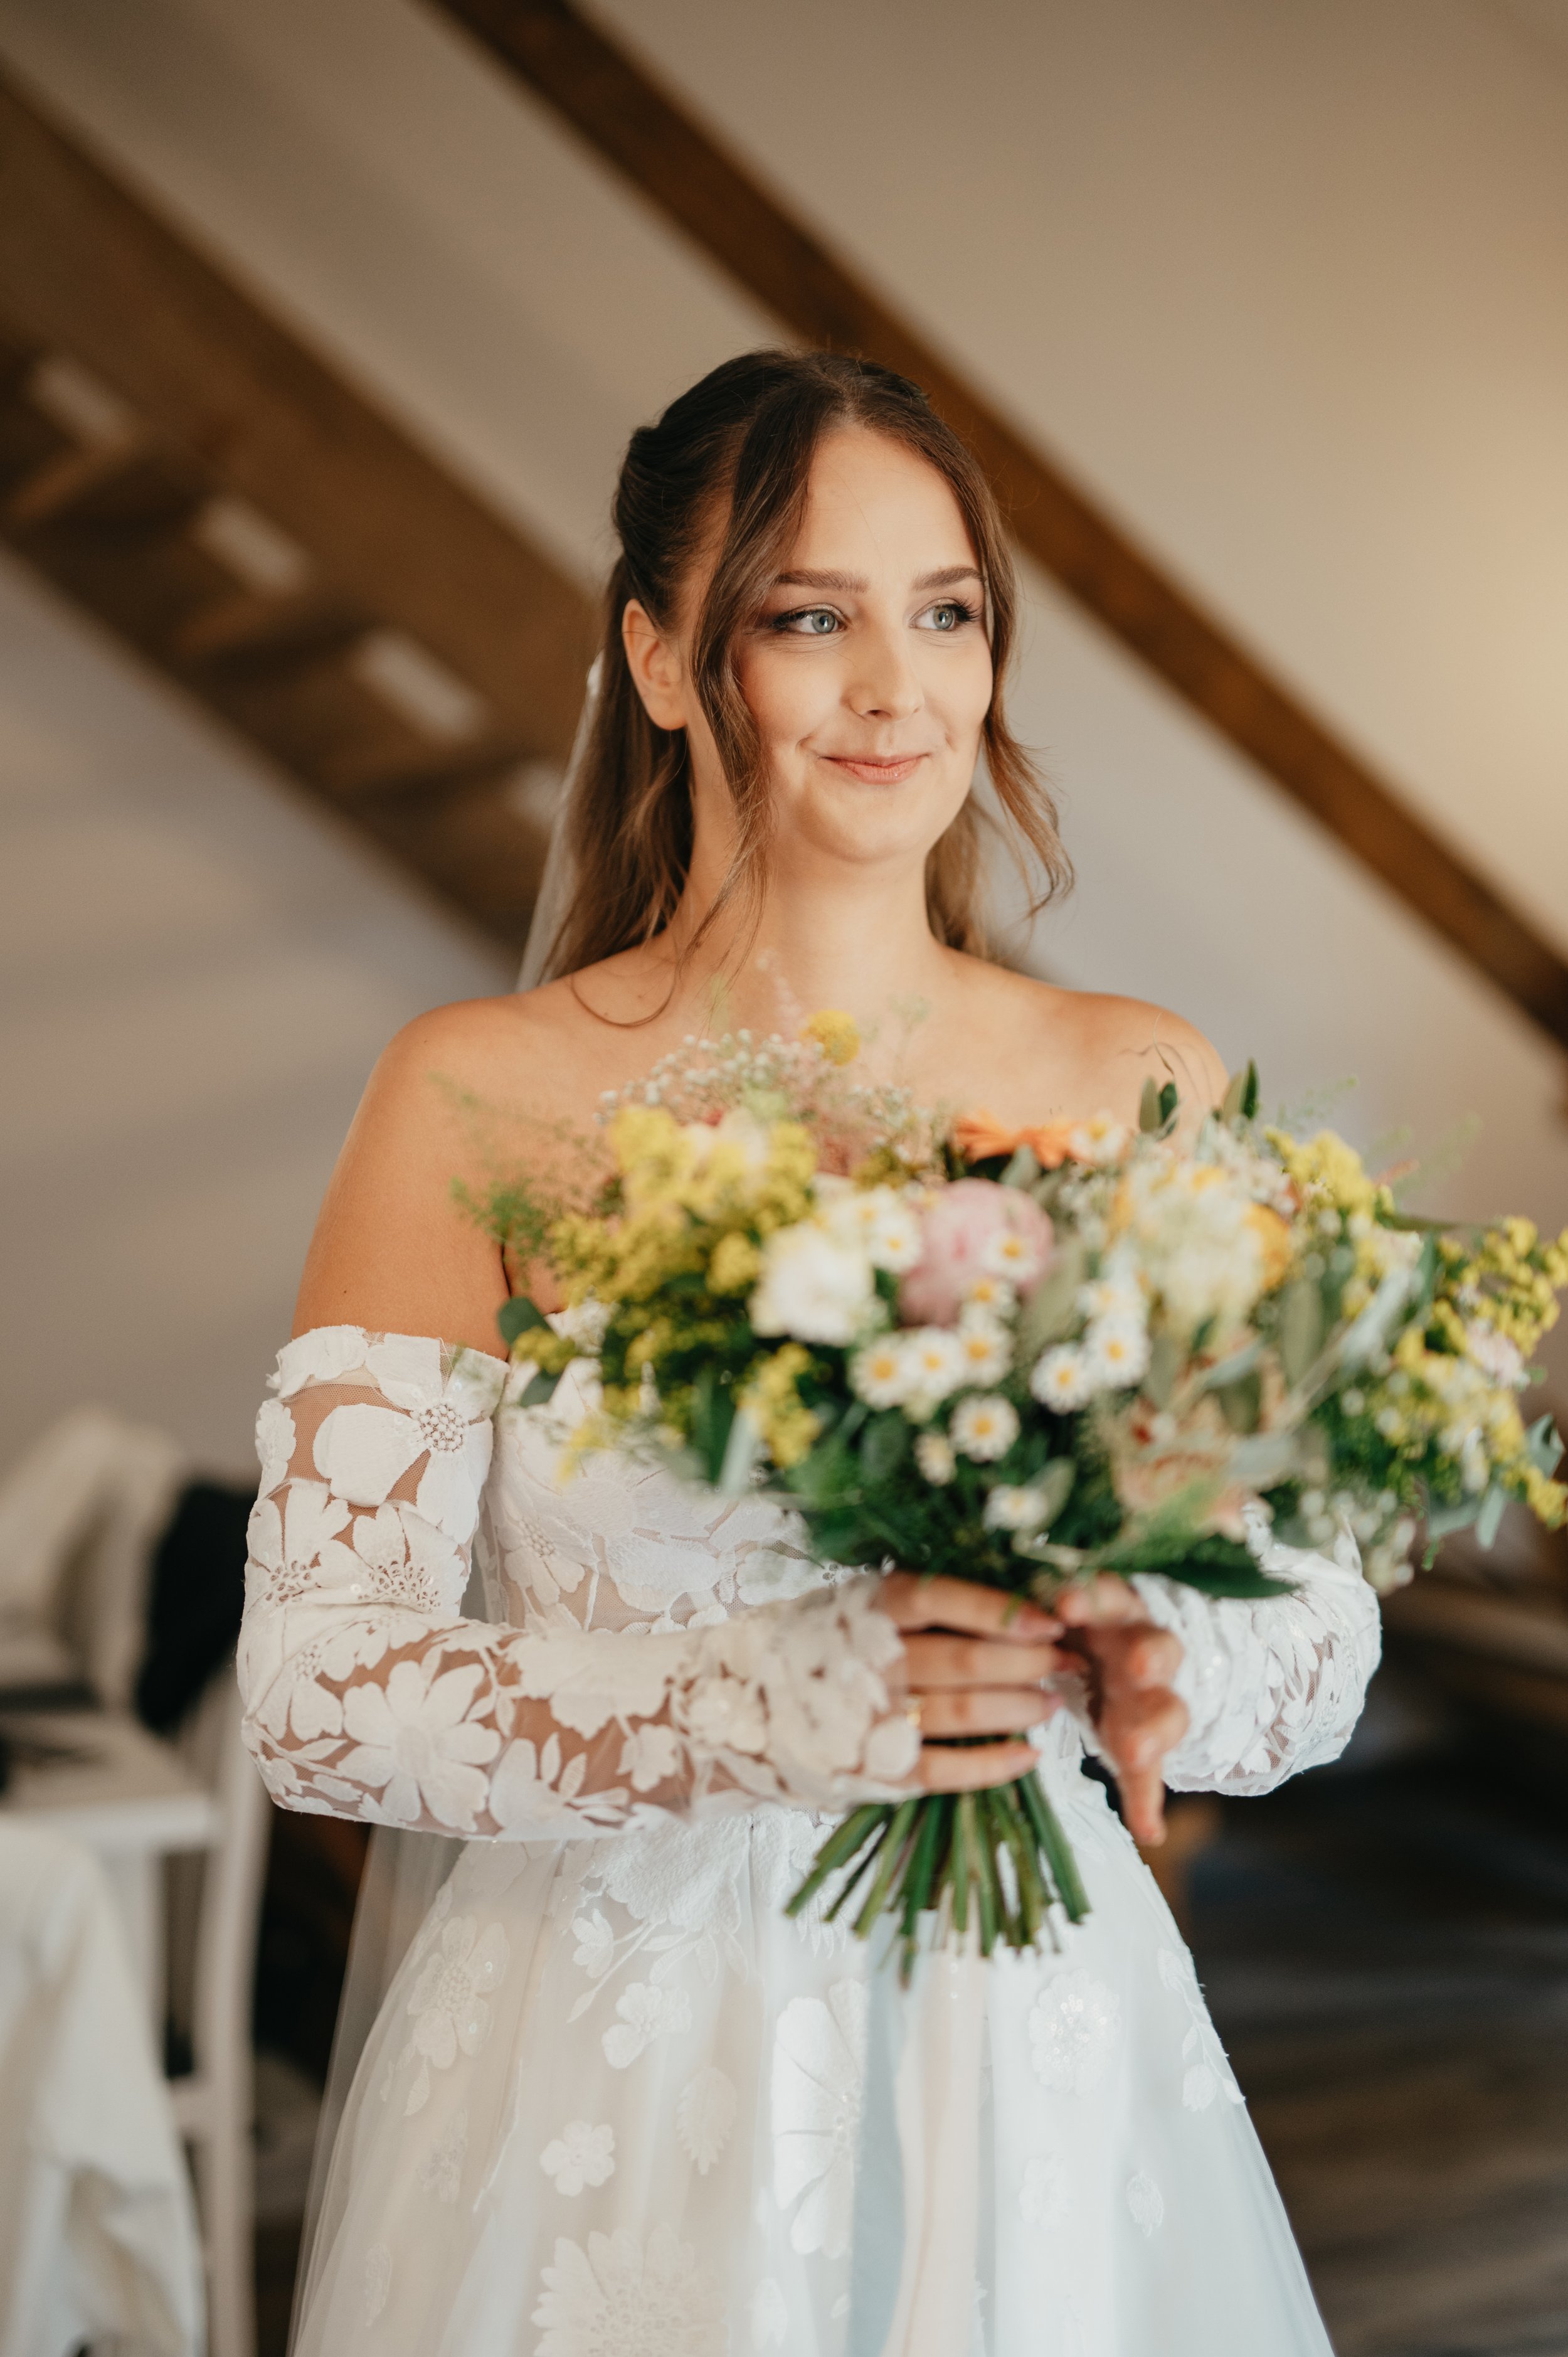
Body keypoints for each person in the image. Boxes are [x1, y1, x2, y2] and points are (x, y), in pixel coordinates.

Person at [239, 351, 1379, 2354]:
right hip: (598, 2089)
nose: (896, 688)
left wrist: (1161, 1640)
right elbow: (320, 1692)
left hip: (1025, 2053)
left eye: (944, 613)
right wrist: (757, 1705)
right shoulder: (477, 1097)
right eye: (806, 617)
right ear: (663, 663)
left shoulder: (1137, 1085)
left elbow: (1316, 1627)